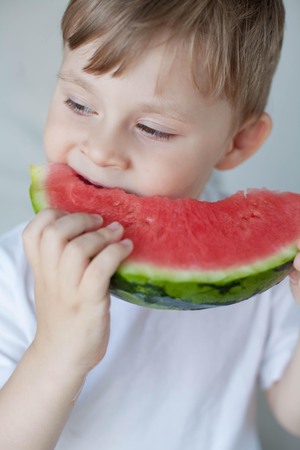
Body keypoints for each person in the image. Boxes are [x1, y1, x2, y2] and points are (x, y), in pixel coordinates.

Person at [0, 0, 300, 449]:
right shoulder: (16, 270)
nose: (101, 150)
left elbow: (292, 414)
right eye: (79, 104)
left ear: (236, 142)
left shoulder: (263, 274)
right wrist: (56, 350)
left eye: (153, 129)